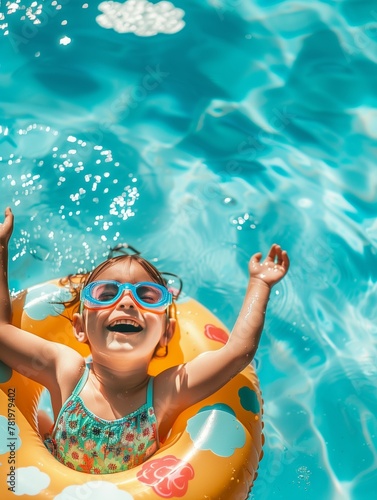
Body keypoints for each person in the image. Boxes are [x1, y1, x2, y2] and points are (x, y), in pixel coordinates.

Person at [0, 206, 290, 474]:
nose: (127, 301)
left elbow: (237, 352)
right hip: (52, 478)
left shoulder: (166, 392)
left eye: (147, 296)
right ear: (80, 329)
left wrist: (259, 283)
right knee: (42, 423)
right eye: (107, 294)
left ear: (165, 333)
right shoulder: (66, 371)